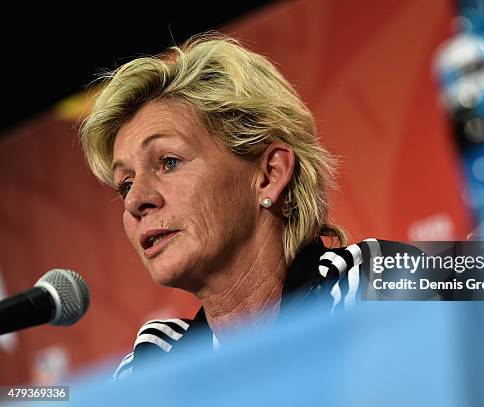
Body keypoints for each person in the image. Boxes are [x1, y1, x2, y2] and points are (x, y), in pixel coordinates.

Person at [80, 34, 378, 380]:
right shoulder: (152, 367)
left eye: (169, 162)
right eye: (125, 184)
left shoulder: (375, 288)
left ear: (269, 174)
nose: (134, 201)